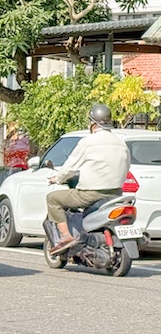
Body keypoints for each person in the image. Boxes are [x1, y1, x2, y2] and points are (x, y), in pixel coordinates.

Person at [46, 103, 131, 254]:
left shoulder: (88, 142)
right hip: (116, 194)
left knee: (53, 198)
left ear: (93, 123)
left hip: (90, 194)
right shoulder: (121, 143)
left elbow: (69, 167)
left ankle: (65, 236)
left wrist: (57, 179)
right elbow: (127, 166)